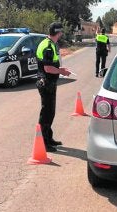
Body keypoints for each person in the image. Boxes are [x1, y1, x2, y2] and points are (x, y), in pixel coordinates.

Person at [35, 22, 71, 152]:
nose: (61, 34)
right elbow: (48, 68)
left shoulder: (50, 44)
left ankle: (48, 138)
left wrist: (60, 69)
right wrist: (61, 72)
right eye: (61, 32)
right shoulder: (48, 46)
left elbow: (52, 66)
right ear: (58, 32)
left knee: (50, 112)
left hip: (49, 82)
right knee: (47, 113)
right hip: (46, 82)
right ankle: (43, 142)